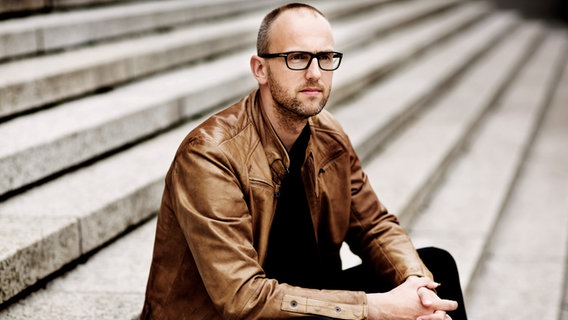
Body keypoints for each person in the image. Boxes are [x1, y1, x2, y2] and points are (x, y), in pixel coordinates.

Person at [140, 3, 467, 320]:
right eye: (297, 57)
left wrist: (415, 286)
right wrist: (377, 308)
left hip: (303, 298)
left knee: (435, 268)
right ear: (260, 69)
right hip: (232, 313)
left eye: (324, 57)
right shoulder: (210, 155)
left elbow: (374, 225)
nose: (315, 73)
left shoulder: (329, 136)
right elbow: (241, 297)